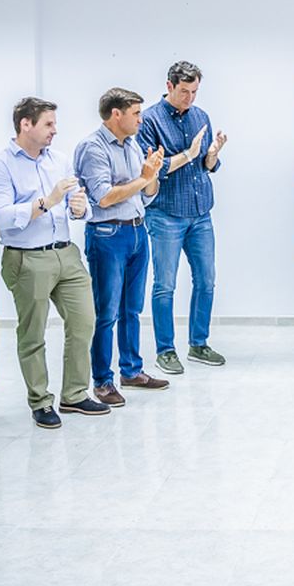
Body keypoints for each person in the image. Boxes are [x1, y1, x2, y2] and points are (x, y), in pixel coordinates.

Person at [0, 97, 107, 429]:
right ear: (26, 124)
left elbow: (77, 205)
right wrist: (47, 202)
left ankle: (75, 394)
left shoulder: (59, 160)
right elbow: (1, 217)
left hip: (66, 253)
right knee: (33, 332)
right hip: (27, 258)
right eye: (48, 124)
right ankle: (40, 401)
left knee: (84, 322)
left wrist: (80, 208)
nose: (55, 130)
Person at [74, 87, 168, 406]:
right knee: (107, 312)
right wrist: (142, 179)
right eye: (136, 113)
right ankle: (103, 380)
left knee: (132, 309)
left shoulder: (133, 145)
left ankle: (131, 370)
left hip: (138, 231)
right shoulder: (93, 147)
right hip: (108, 235)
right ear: (117, 114)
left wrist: (152, 174)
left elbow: (146, 194)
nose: (141, 119)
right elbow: (103, 196)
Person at [137, 61, 227, 375]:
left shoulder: (201, 116)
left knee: (206, 280)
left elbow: (207, 166)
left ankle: (198, 344)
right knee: (165, 285)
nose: (190, 98)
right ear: (169, 86)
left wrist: (212, 154)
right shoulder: (150, 120)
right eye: (185, 91)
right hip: (165, 214)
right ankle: (165, 350)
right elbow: (154, 169)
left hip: (201, 213)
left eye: (195, 92)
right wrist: (189, 153)